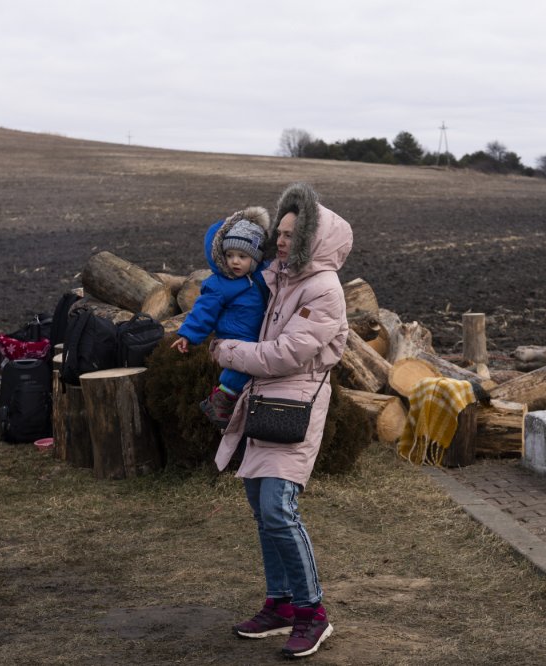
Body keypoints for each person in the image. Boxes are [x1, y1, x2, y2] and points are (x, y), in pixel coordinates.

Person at [209, 182, 352, 659]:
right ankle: (281, 604)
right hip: (263, 402)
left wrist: (226, 351)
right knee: (261, 508)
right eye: (282, 233)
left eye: (292, 234)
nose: (282, 241)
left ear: (314, 237)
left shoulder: (323, 288)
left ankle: (313, 612)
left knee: (278, 509)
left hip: (295, 407)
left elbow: (287, 353)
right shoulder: (280, 279)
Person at [170, 206, 272, 427]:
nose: (235, 261)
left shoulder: (261, 277)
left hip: (259, 335)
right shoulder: (219, 284)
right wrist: (188, 334)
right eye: (229, 255)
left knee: (255, 373)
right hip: (235, 336)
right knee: (240, 371)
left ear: (255, 258)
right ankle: (220, 400)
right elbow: (203, 311)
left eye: (242, 256)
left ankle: (234, 406)